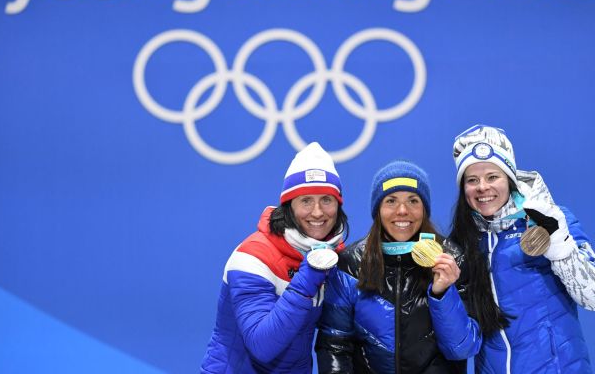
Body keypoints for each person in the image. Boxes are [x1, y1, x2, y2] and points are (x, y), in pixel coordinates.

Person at [449, 124, 595, 373]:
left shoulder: (553, 220)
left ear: (510, 179)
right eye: (472, 180)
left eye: (493, 177)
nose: (482, 187)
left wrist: (560, 248)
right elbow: (464, 341)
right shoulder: (462, 242)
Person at [316, 159, 482, 373]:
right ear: (378, 210)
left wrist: (442, 293)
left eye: (413, 201)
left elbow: (462, 349)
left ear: (424, 209)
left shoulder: (451, 259)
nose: (402, 211)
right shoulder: (351, 263)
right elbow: (334, 346)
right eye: (391, 201)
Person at [201, 142, 350, 373]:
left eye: (326, 200)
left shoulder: (332, 256)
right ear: (289, 207)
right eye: (306, 201)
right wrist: (309, 274)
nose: (318, 212)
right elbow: (263, 346)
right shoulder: (252, 257)